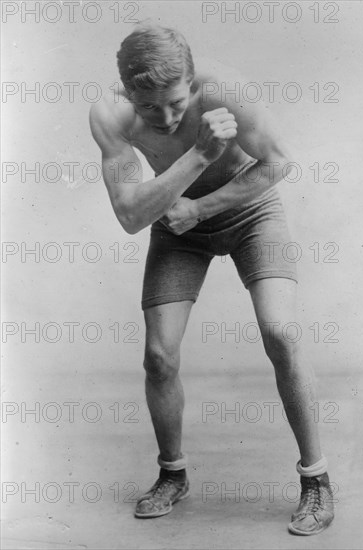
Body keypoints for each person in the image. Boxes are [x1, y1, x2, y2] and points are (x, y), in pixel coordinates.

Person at [89, 20, 335, 536]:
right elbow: (132, 216)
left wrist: (201, 206)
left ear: (194, 83)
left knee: (282, 334)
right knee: (159, 355)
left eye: (177, 102)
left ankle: (316, 481)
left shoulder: (225, 90)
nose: (166, 116)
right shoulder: (110, 115)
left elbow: (279, 162)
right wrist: (199, 154)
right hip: (177, 225)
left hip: (249, 212)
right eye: (149, 106)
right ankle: (172, 474)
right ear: (127, 90)